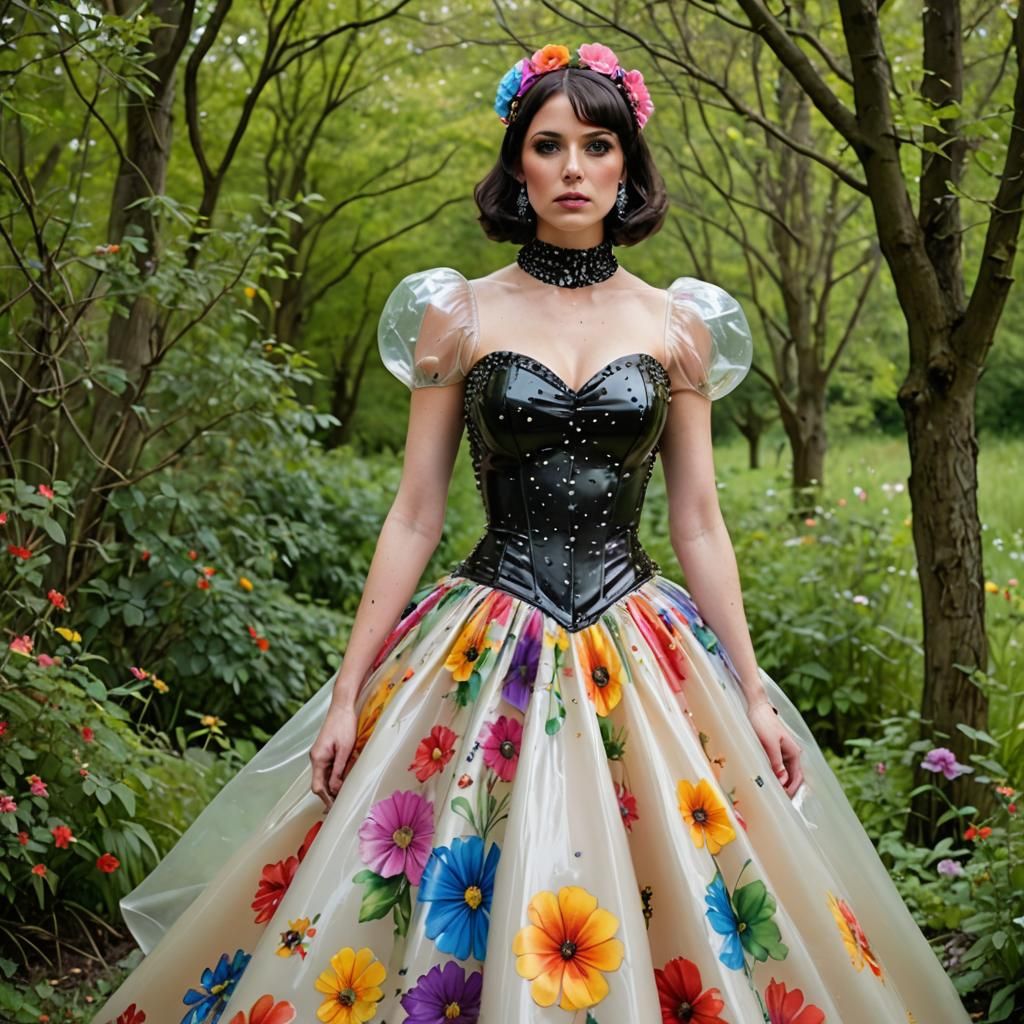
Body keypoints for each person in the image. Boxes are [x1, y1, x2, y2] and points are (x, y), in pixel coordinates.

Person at [94, 42, 971, 1024]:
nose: (570, 166)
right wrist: (347, 693)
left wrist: (754, 692)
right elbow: (416, 511)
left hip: (637, 638)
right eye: (547, 145)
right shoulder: (455, 314)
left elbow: (698, 521)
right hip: (483, 634)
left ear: (626, 168)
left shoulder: (675, 324)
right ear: (517, 164)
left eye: (596, 146)